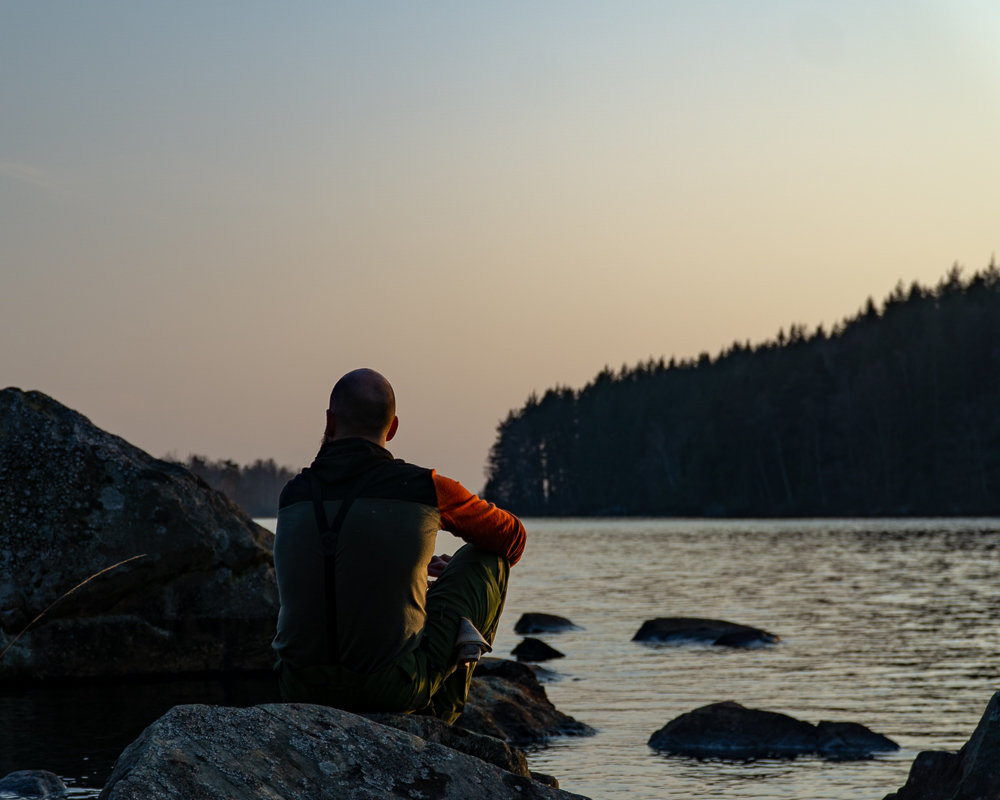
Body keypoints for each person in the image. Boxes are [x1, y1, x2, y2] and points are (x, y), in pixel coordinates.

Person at [271, 368, 526, 722]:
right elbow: (512, 538)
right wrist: (443, 574)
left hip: (297, 687)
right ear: (392, 428)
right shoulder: (424, 487)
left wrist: (411, 572)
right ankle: (442, 718)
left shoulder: (292, 495)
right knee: (489, 560)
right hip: (390, 689)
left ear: (329, 422)